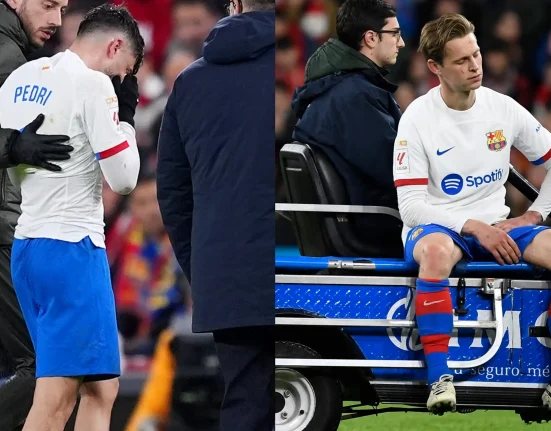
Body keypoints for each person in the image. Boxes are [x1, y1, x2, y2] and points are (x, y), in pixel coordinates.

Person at [393, 13, 551, 414]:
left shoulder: (503, 109)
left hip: (499, 226)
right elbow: (411, 207)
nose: (475, 65)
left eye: (476, 54)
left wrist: (534, 215)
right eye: (461, 61)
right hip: (439, 225)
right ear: (435, 68)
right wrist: (474, 227)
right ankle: (439, 379)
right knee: (434, 253)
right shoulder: (416, 119)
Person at [0, 3, 143, 430]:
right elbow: (124, 179)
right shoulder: (94, 84)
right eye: (127, 69)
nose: (123, 80)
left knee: (102, 387)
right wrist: (127, 121)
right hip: (71, 249)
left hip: (26, 248)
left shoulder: (23, 78)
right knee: (55, 399)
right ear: (115, 46)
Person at [155, 0, 274, 429]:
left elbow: (172, 191)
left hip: (227, 273)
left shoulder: (189, 82)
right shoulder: (307, 69)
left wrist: (203, 267)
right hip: (304, 269)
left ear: (236, 5)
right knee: (315, 397)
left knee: (245, 400)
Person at [0, 0, 76, 429]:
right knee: (43, 364)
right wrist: (11, 146)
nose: (56, 21)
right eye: (48, 5)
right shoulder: (6, 54)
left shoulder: (16, 52)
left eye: (63, 8)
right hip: (2, 229)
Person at [291, 0, 405, 255]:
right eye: (395, 34)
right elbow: (396, 171)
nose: (401, 43)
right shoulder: (354, 96)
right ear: (371, 38)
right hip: (379, 227)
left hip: (364, 221)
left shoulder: (337, 88)